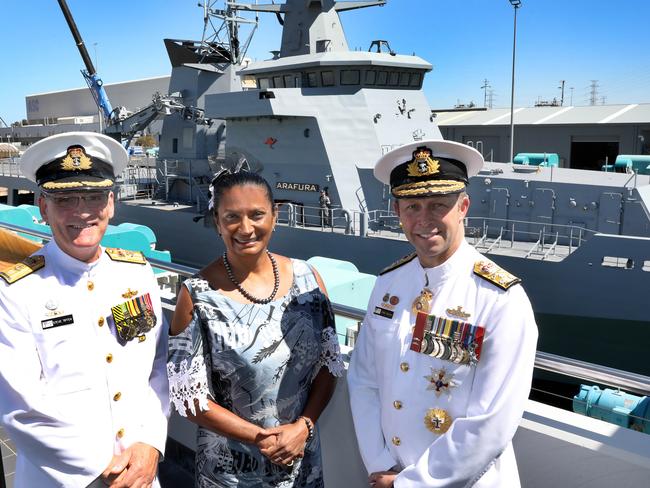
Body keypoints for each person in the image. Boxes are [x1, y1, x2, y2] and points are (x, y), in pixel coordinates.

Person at [347, 140, 538, 487]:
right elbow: (364, 381)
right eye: (412, 206)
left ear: (463, 206)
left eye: (438, 206)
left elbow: (491, 421)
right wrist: (380, 464)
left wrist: (411, 484)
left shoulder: (499, 299)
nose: (424, 220)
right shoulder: (387, 285)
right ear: (396, 211)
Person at [0, 132, 169, 488]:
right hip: (63, 479)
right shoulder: (16, 291)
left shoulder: (137, 273)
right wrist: (103, 469)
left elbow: (158, 367)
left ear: (111, 203)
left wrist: (151, 443)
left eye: (93, 196)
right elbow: (21, 406)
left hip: (141, 472)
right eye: (65, 199)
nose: (82, 211)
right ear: (43, 207)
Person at [166, 167, 344, 487]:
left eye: (257, 214)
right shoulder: (196, 296)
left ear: (275, 217)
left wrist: (304, 426)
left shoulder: (308, 279)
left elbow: (328, 366)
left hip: (301, 461)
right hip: (231, 474)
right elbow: (188, 399)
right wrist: (264, 438)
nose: (245, 228)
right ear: (217, 223)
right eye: (231, 217)